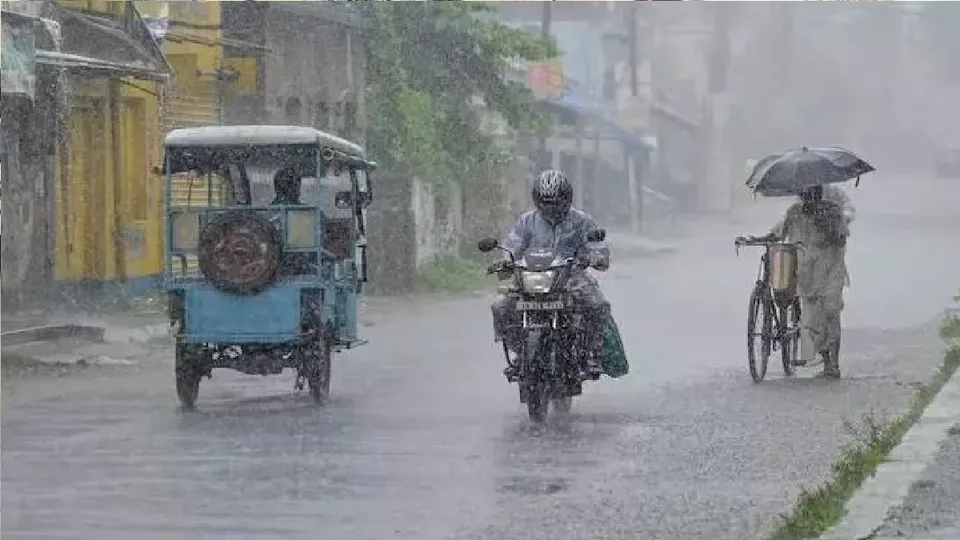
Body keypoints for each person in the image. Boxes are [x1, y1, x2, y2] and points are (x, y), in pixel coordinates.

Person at [491, 169, 611, 381]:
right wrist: (504, 261)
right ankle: (519, 351)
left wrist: (596, 256)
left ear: (567, 198)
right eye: (546, 202)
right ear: (537, 200)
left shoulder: (581, 221)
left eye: (556, 202)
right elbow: (512, 245)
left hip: (572, 277)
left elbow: (597, 245)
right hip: (532, 278)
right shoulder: (527, 221)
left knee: (597, 305)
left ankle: (594, 354)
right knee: (501, 307)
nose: (551, 207)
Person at [743, 185, 849, 378]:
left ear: (819, 192)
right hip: (807, 272)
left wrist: (827, 228)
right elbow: (779, 232)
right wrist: (759, 239)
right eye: (806, 194)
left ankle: (832, 364)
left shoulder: (832, 211)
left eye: (813, 193)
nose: (809, 197)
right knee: (811, 319)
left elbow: (841, 237)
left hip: (830, 268)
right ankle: (825, 359)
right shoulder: (795, 212)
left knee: (830, 311)